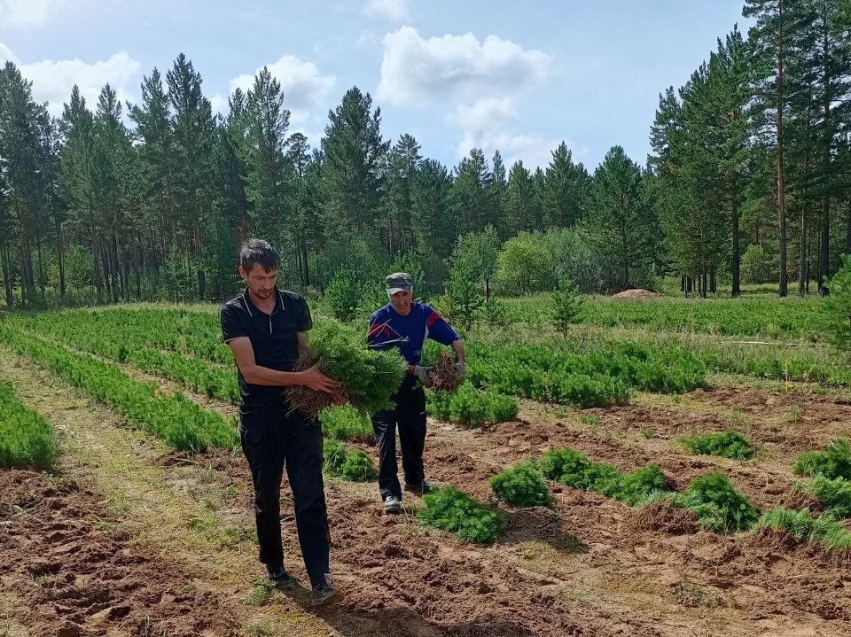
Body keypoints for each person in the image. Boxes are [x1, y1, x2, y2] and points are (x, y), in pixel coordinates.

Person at [220, 238, 341, 606]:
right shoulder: (234, 312)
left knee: (310, 493)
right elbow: (251, 371)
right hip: (260, 416)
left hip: (300, 414)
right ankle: (274, 564)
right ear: (243, 273)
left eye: (272, 276)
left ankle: (320, 577)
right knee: (267, 494)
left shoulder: (295, 304)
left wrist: (330, 385)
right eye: (259, 277)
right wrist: (303, 380)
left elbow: (306, 356)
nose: (266, 285)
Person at [367, 272, 465, 514]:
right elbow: (379, 362)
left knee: (415, 435)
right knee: (387, 440)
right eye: (396, 296)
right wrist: (414, 369)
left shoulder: (424, 315)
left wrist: (460, 361)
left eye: (405, 294)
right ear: (388, 295)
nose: (401, 300)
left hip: (412, 389)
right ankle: (390, 493)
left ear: (412, 292)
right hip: (384, 390)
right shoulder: (380, 319)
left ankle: (415, 480)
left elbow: (453, 337)